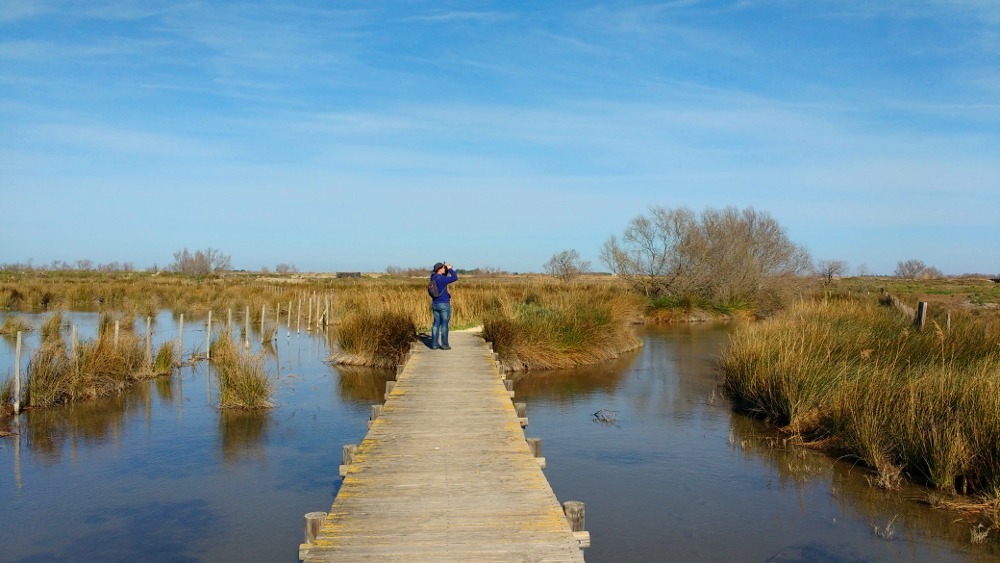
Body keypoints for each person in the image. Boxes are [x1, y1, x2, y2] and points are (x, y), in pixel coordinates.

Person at [429, 262, 458, 350]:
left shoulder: (433, 278)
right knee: (444, 325)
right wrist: (449, 268)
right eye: (443, 268)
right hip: (444, 304)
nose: (444, 269)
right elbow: (455, 277)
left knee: (436, 324)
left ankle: (434, 344)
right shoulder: (442, 279)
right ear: (439, 269)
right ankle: (444, 345)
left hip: (435, 304)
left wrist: (445, 269)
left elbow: (443, 276)